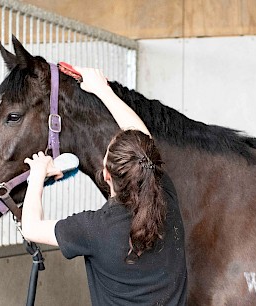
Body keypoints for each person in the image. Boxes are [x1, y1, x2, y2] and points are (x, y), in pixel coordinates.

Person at [22, 67, 187, 305]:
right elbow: (142, 138)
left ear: (106, 176)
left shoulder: (95, 229)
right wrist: (102, 90)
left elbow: (31, 227)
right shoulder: (165, 192)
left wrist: (37, 174)